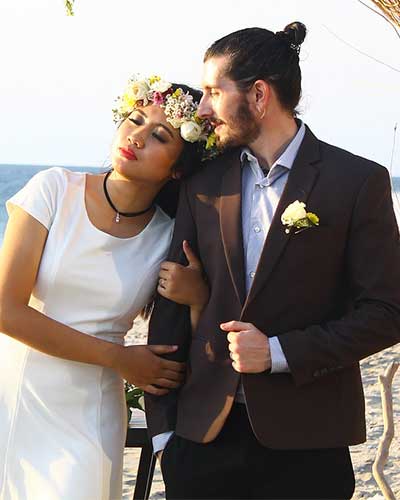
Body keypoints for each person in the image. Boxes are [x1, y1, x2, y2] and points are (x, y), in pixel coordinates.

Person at [146, 23, 400, 500]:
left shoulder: (357, 181)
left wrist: (279, 352)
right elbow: (170, 317)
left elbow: (387, 313)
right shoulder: (202, 183)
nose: (202, 110)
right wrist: (164, 436)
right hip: (202, 443)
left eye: (213, 92)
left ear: (259, 95)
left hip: (309, 446)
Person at [0, 75, 211, 500]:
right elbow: (6, 310)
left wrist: (197, 298)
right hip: (15, 391)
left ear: (178, 168)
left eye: (159, 136)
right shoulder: (53, 189)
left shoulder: (169, 239)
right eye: (135, 119)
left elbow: (194, 342)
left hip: (91, 412)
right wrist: (119, 358)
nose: (136, 136)